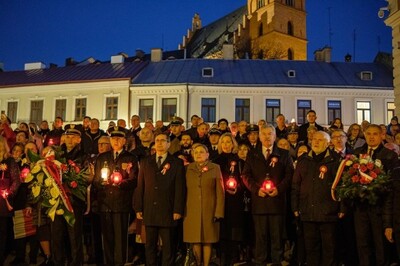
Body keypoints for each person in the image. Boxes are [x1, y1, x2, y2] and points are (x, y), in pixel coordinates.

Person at [242, 124, 294, 266]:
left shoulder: (284, 154)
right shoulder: (252, 154)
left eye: (270, 133)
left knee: (277, 238)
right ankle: (260, 262)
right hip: (259, 202)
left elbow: (289, 175)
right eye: (264, 134)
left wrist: (279, 189)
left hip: (277, 202)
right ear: (259, 136)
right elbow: (245, 175)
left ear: (275, 136)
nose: (266, 136)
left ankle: (276, 262)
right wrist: (256, 189)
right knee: (260, 237)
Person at [292, 131, 344, 266]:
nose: (316, 142)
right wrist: (295, 207)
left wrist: (342, 208)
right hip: (308, 211)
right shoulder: (303, 160)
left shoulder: (336, 160)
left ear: (328, 143)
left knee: (329, 249)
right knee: (311, 249)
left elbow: (342, 186)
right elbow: (296, 185)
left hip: (329, 212)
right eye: (314, 139)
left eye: (320, 140)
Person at [134, 133, 186, 266]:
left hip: (168, 210)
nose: (160, 143)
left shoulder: (177, 162)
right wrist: (138, 207)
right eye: (157, 140)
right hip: (150, 209)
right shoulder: (146, 161)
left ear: (169, 144)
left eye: (163, 140)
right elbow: (141, 186)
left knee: (168, 246)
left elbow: (180, 188)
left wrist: (178, 209)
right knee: (150, 246)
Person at [352, 124, 399, 266]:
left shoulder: (389, 155)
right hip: (360, 207)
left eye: (375, 134)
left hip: (380, 206)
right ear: (364, 135)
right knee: (362, 244)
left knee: (380, 246)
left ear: (382, 136)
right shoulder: (357, 153)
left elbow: (393, 184)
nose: (371, 137)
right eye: (368, 134)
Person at [94, 127, 138, 266]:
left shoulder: (130, 158)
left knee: (120, 238)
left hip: (121, 202)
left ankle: (120, 262)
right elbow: (95, 180)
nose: (116, 141)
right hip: (105, 202)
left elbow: (134, 179)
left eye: (119, 138)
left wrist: (119, 183)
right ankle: (109, 263)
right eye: (113, 138)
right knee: (106, 237)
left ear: (124, 140)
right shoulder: (103, 157)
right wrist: (102, 182)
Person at [51, 125, 87, 266]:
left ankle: (76, 262)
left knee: (74, 236)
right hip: (56, 200)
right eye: (67, 136)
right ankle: (58, 261)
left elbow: (85, 178)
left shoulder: (83, 156)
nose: (69, 139)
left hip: (73, 201)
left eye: (73, 137)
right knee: (57, 235)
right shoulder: (58, 155)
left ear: (79, 140)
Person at [184, 143, 225, 266]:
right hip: (191, 210)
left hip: (209, 209)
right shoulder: (187, 169)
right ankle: (197, 263)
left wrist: (218, 211)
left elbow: (220, 192)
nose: (198, 154)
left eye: (201, 152)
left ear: (207, 154)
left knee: (208, 240)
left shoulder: (215, 168)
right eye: (196, 152)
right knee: (195, 239)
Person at [214, 133, 245, 265]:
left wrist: (237, 187)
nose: (226, 145)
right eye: (224, 142)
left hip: (235, 200)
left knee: (234, 228)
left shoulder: (239, 161)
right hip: (220, 199)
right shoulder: (215, 160)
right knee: (222, 228)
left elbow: (244, 178)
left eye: (229, 142)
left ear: (233, 144)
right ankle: (222, 257)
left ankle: (233, 256)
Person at [0, 136, 21, 266]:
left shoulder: (10, 161)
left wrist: (9, 193)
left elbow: (16, 180)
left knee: (2, 231)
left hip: (2, 201)